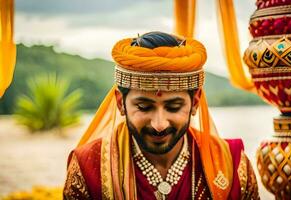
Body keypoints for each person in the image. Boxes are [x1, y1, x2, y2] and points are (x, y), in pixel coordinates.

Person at [63, 31, 260, 200]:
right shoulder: (88, 168)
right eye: (143, 107)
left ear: (196, 101)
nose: (159, 124)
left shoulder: (232, 165)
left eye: (173, 107)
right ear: (120, 102)